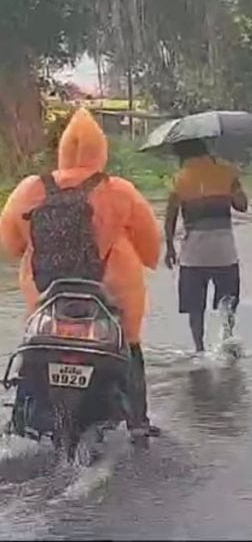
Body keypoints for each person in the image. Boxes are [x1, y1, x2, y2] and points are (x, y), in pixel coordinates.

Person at [0, 108, 162, 439]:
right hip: (111, 298)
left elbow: (9, 242)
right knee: (129, 348)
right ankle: (137, 423)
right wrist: (148, 257)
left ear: (61, 149)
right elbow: (150, 244)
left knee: (36, 348)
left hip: (47, 298)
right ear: (101, 150)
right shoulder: (118, 190)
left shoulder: (31, 188)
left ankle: (19, 419)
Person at [164, 140, 248, 354]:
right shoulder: (226, 172)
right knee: (227, 301)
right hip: (224, 253)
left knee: (195, 307)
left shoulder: (180, 179)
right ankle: (227, 341)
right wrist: (233, 184)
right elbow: (242, 205)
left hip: (193, 255)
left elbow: (170, 217)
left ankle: (199, 349)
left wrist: (170, 248)